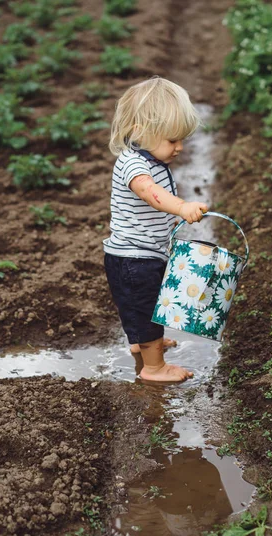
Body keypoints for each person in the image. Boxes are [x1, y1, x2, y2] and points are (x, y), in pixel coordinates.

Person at [103, 77, 208, 382]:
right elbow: (150, 193)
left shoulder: (149, 158)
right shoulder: (133, 165)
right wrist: (181, 207)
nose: (180, 147)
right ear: (140, 131)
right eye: (172, 140)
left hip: (142, 255)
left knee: (140, 307)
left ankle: (142, 343)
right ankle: (154, 367)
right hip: (134, 259)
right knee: (145, 308)